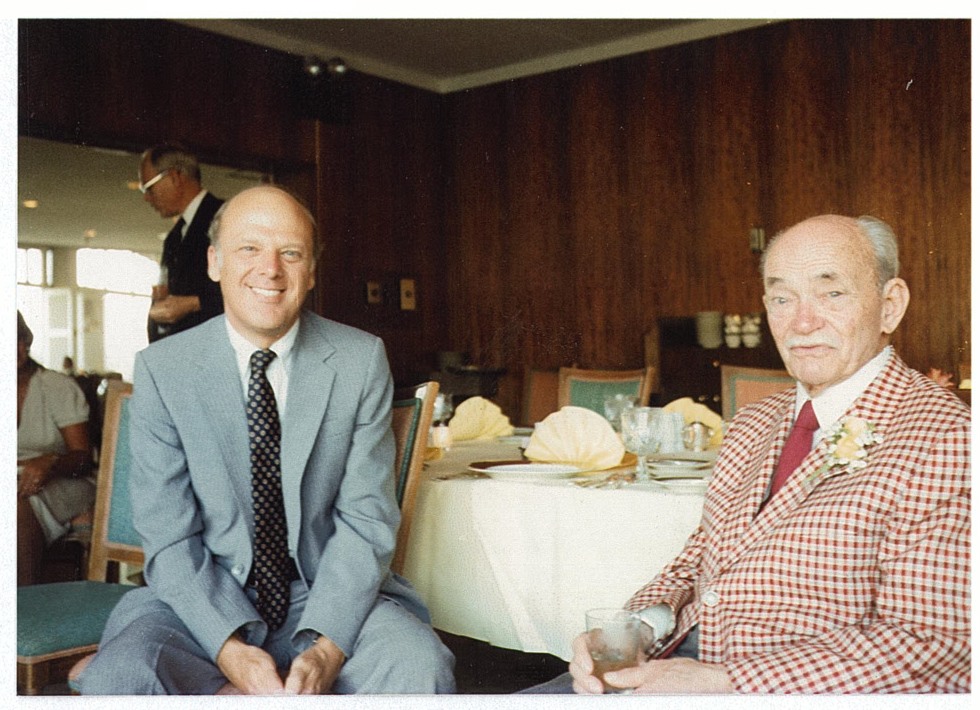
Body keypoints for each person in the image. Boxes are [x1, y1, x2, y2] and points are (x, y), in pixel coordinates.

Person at [530, 214, 971, 693]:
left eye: (832, 293)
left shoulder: (948, 437)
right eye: (782, 299)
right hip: (670, 666)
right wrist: (636, 628)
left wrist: (725, 683)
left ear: (890, 306)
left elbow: (933, 644)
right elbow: (700, 559)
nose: (802, 322)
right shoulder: (752, 422)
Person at [76, 185, 455, 695]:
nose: (270, 270)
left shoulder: (360, 360)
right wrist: (228, 650)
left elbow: (366, 521)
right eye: (249, 248)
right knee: (121, 676)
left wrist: (327, 648)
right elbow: (169, 537)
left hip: (325, 594)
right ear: (214, 262)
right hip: (200, 599)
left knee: (418, 665)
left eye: (290, 253)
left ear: (311, 270)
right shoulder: (163, 369)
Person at [16, 312, 94, 586]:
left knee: (14, 507)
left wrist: (50, 462)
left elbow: (83, 459)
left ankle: (24, 603)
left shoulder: (56, 387)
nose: (15, 349)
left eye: (18, 339)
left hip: (64, 480)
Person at [140, 142, 224, 342]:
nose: (147, 198)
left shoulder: (225, 216)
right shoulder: (174, 237)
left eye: (149, 188)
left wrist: (194, 303)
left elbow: (248, 289)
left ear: (174, 177)